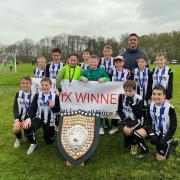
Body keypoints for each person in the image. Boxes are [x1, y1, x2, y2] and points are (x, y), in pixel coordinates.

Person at [135, 85, 178, 160]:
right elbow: (148, 122)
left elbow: (173, 127)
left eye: (159, 94)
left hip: (165, 134)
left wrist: (164, 139)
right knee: (137, 133)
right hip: (155, 130)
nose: (156, 96)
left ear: (164, 96)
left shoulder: (170, 109)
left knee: (159, 159)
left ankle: (173, 144)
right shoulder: (150, 105)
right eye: (154, 94)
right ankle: (145, 150)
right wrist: (151, 134)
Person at [25, 78, 60, 155]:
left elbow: (58, 110)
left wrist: (53, 106)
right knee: (27, 127)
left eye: (46, 85)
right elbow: (32, 108)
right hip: (39, 118)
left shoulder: (55, 96)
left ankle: (48, 134)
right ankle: (33, 143)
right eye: (42, 85)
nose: (44, 87)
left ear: (50, 86)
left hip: (50, 120)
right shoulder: (37, 95)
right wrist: (28, 118)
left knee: (49, 141)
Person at [79, 54, 110, 135]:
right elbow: (78, 79)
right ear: (88, 62)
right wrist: (82, 78)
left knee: (98, 111)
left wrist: (104, 79)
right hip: (88, 96)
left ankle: (100, 127)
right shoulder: (85, 71)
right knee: (89, 111)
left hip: (99, 96)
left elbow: (109, 79)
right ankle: (89, 126)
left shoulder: (101, 71)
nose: (93, 63)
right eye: (91, 62)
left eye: (95, 62)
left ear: (98, 62)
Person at [117, 80, 149, 156]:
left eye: (130, 91)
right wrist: (125, 119)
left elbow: (138, 114)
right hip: (128, 119)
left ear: (134, 90)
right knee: (126, 130)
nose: (127, 93)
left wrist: (132, 103)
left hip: (138, 119)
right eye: (125, 90)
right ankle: (129, 142)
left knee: (129, 130)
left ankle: (135, 143)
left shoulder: (139, 98)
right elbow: (119, 110)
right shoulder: (121, 96)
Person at [109, 55, 131, 135]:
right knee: (115, 109)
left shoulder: (127, 72)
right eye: (116, 62)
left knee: (125, 109)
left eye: (120, 62)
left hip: (124, 95)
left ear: (123, 63)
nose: (118, 64)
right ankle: (114, 126)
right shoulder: (112, 72)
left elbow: (130, 83)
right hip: (114, 95)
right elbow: (109, 82)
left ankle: (125, 125)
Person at [13, 77, 36, 150]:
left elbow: (35, 109)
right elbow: (15, 108)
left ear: (31, 84)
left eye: (27, 83)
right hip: (20, 117)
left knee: (27, 129)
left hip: (31, 117)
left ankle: (30, 133)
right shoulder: (18, 93)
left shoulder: (35, 94)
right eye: (23, 83)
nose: (25, 85)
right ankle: (18, 139)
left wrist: (28, 119)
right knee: (16, 129)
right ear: (20, 84)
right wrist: (16, 120)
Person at [131, 56, 153, 125]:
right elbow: (131, 82)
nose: (140, 63)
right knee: (137, 108)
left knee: (146, 108)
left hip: (146, 94)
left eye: (142, 62)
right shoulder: (134, 71)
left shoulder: (149, 71)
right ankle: (138, 121)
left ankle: (146, 122)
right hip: (137, 94)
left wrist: (149, 94)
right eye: (139, 62)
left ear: (146, 63)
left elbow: (151, 83)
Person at [99, 45, 114, 129]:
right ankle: (105, 122)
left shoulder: (114, 60)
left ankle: (112, 121)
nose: (107, 53)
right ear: (103, 52)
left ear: (111, 52)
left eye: (108, 51)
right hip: (101, 84)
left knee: (110, 102)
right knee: (102, 102)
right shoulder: (100, 61)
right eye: (105, 51)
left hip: (112, 85)